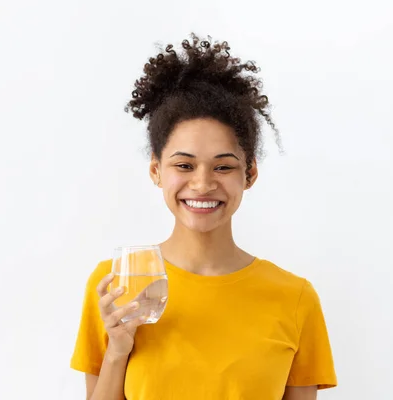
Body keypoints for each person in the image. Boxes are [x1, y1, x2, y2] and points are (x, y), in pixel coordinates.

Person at [70, 33, 337, 400]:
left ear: (250, 174)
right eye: (184, 164)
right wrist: (118, 351)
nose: (202, 184)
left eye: (223, 167)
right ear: (156, 170)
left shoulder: (295, 299)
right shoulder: (118, 284)